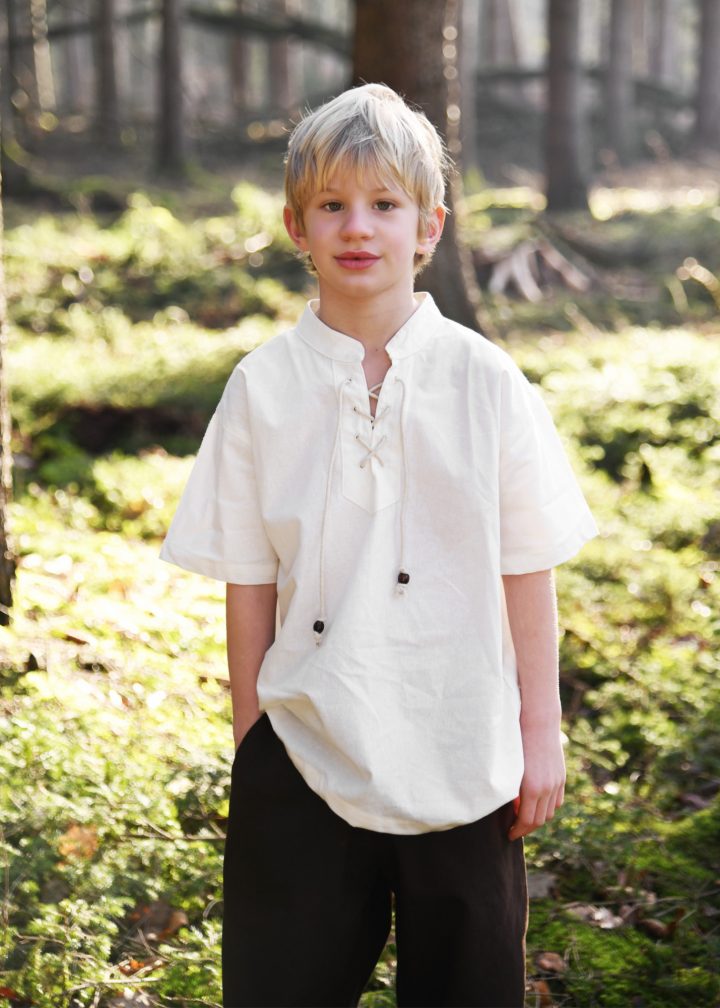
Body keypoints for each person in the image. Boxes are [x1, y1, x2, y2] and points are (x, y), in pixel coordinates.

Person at [159, 83, 598, 1008]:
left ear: (429, 225)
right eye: (333, 206)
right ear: (297, 226)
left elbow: (528, 564)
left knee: (466, 988)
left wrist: (540, 732)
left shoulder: (486, 381)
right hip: (308, 744)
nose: (359, 228)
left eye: (385, 205)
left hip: (464, 747)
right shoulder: (261, 388)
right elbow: (248, 581)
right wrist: (254, 738)